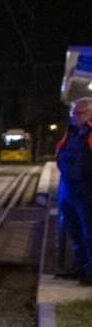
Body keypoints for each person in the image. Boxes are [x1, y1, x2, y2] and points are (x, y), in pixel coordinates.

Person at [55, 97, 92, 281]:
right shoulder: (72, 132)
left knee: (89, 231)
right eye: (73, 113)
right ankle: (81, 267)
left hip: (87, 189)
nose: (75, 117)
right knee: (75, 230)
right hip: (69, 187)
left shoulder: (89, 133)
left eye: (79, 113)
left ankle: (90, 272)